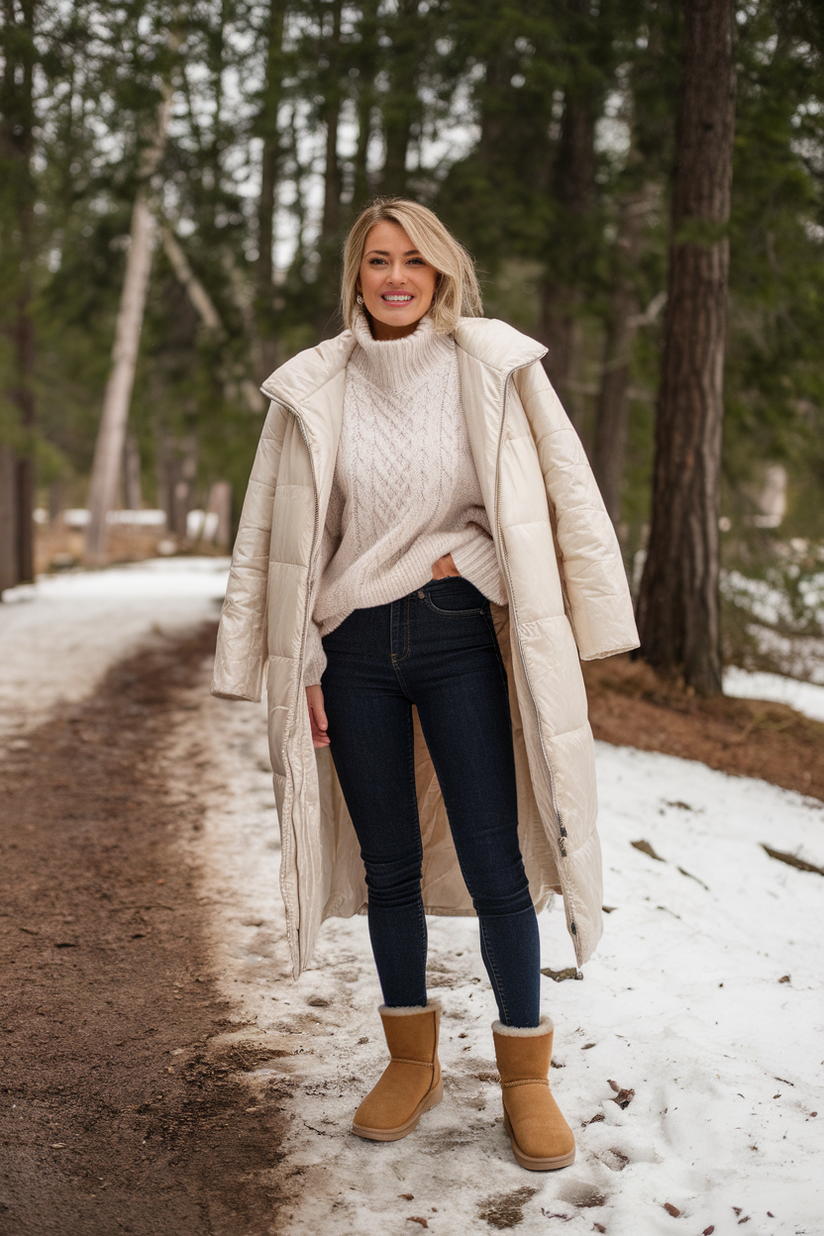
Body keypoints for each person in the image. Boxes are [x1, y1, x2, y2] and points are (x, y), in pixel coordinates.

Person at [211, 197, 639, 1171]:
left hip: (456, 639)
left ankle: (525, 1077)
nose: (394, 276)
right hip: (352, 648)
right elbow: (278, 537)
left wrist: (479, 573)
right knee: (387, 867)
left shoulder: (490, 366)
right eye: (375, 261)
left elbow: (558, 491)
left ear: (440, 272)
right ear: (355, 277)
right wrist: (298, 661)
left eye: (411, 259)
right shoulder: (315, 388)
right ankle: (411, 1059)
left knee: (496, 865)